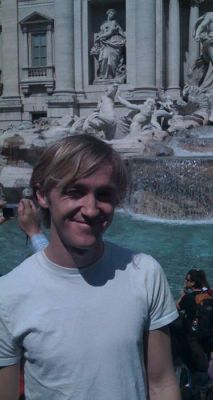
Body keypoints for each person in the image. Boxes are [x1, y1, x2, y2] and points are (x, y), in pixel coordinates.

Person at [0, 135, 180, 400]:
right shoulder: (7, 294)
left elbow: (162, 383)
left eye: (104, 194)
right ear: (42, 195)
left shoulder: (146, 273)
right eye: (75, 192)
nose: (92, 209)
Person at [177, 269, 213, 399]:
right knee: (203, 375)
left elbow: (175, 308)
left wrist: (182, 294)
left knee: (192, 374)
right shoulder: (209, 296)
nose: (185, 281)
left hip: (192, 342)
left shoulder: (188, 298)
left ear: (193, 282)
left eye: (187, 280)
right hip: (208, 340)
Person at [93, 9, 126, 80]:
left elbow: (110, 32)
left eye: (113, 14)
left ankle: (111, 76)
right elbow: (101, 32)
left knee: (112, 61)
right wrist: (99, 36)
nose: (112, 15)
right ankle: (103, 75)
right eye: (111, 14)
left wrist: (100, 37)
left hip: (114, 42)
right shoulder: (103, 24)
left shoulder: (114, 22)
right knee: (104, 58)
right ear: (107, 14)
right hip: (105, 44)